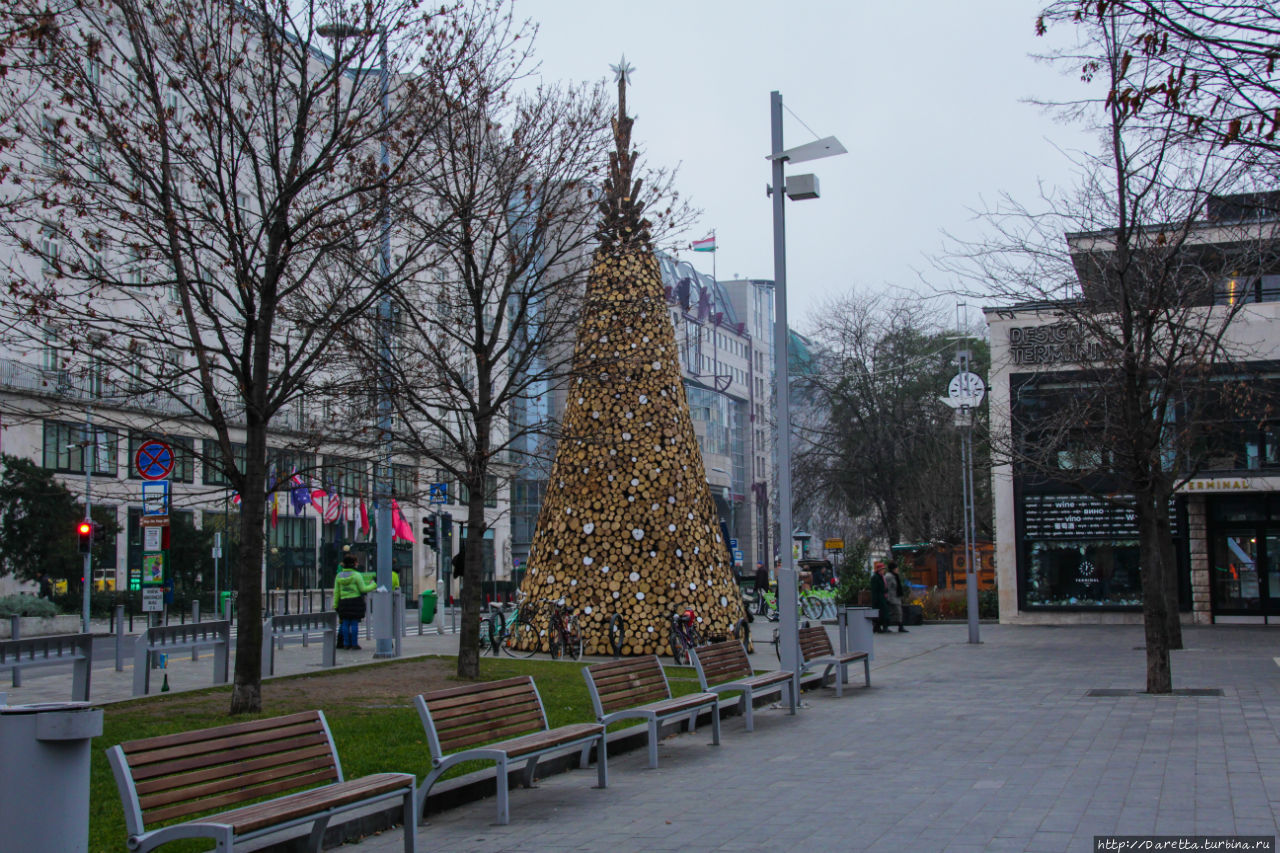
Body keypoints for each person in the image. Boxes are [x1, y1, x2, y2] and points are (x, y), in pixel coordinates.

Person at [333, 555, 376, 650]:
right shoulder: (356, 575)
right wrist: (374, 584)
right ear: (353, 564)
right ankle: (354, 643)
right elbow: (363, 589)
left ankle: (346, 643)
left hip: (343, 601)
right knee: (354, 623)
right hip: (355, 600)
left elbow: (336, 592)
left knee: (344, 623)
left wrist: (335, 604)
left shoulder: (339, 576)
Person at [885, 561, 908, 633]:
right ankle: (886, 626)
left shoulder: (895, 576)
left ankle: (900, 626)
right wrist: (888, 598)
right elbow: (887, 588)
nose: (897, 569)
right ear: (893, 569)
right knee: (895, 612)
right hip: (892, 598)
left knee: (898, 612)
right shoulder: (889, 576)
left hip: (896, 597)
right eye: (896, 568)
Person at [870, 561, 889, 633]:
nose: (883, 571)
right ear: (879, 570)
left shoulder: (881, 577)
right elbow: (876, 589)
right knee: (880, 614)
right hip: (878, 599)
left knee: (883, 613)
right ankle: (878, 627)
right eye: (882, 569)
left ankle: (881, 627)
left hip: (882, 598)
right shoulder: (875, 578)